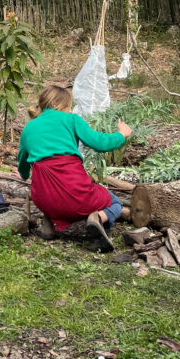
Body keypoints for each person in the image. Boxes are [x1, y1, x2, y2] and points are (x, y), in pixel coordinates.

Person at [16, 82, 132, 251]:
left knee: (48, 184)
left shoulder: (29, 128)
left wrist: (25, 173)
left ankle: (48, 225)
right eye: (68, 106)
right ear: (57, 105)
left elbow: (23, 170)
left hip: (44, 200)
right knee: (114, 203)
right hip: (76, 195)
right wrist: (121, 134)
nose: (70, 110)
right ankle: (97, 219)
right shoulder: (71, 119)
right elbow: (100, 143)